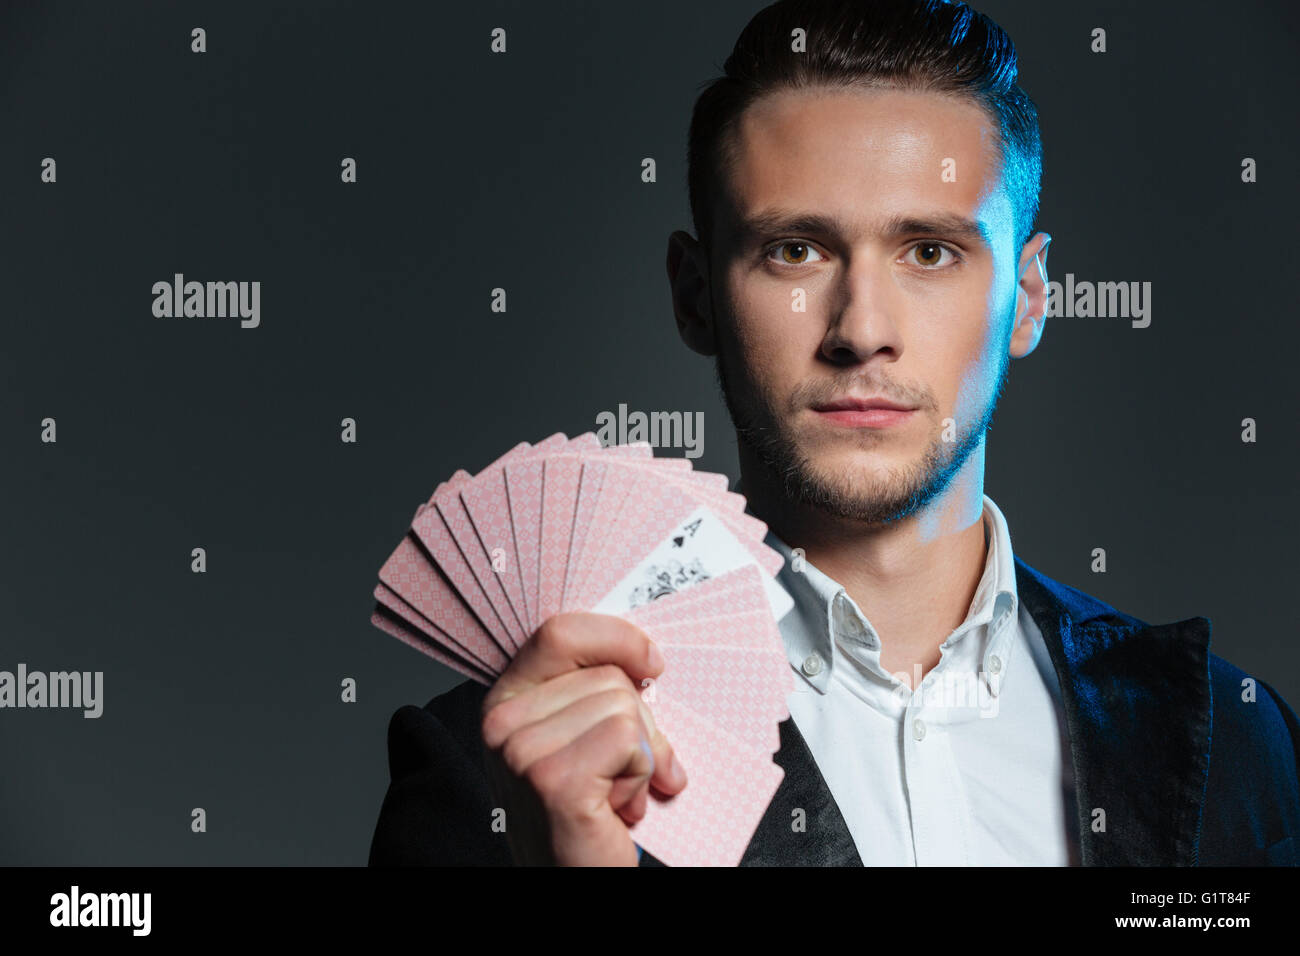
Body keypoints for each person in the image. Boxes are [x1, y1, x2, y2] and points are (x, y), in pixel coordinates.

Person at [368, 0, 1300, 866]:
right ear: (695, 296)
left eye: (930, 252)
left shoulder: (1237, 744)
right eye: (795, 251)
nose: (861, 330)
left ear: (1030, 297)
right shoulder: (495, 774)